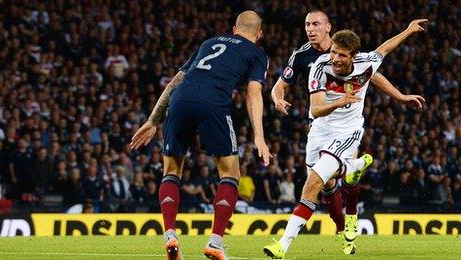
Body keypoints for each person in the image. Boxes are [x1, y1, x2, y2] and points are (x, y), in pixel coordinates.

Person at [264, 19, 428, 259]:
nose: (335, 59)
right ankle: (354, 167)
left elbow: (384, 49)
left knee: (312, 186)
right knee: (325, 184)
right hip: (319, 130)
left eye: (341, 55)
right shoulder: (320, 66)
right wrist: (340, 101)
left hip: (348, 132)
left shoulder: (366, 62)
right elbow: (317, 109)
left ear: (354, 56)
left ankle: (282, 245)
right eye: (333, 52)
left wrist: (408, 31)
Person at [131, 10, 272, 260]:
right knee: (230, 173)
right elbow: (253, 93)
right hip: (213, 103)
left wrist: (153, 120)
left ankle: (170, 235)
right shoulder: (257, 54)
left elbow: (176, 80)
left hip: (180, 100)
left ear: (233, 28)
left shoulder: (208, 43)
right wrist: (259, 136)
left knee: (171, 170)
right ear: (259, 34)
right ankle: (215, 242)